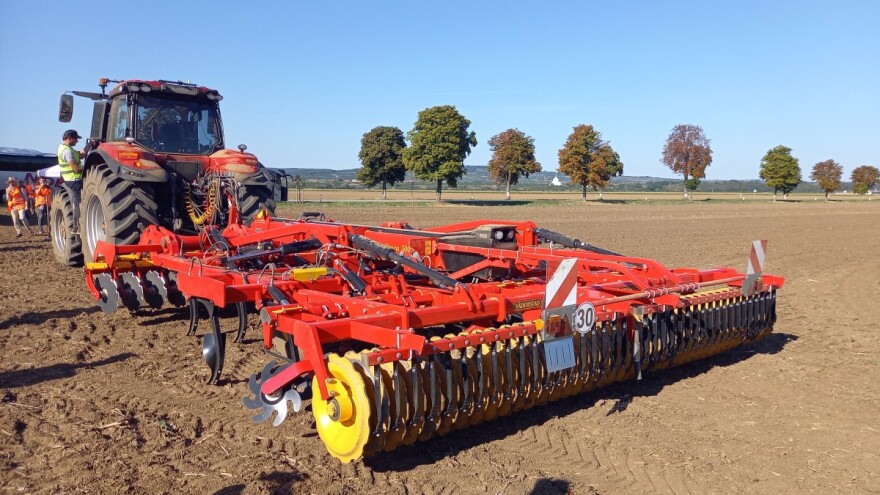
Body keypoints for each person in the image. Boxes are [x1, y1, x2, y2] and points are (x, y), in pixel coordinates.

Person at [58, 129, 84, 233]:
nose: (77, 141)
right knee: (78, 203)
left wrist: (90, 145)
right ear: (69, 138)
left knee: (77, 202)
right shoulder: (67, 151)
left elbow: (81, 155)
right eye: (76, 138)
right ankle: (76, 227)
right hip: (74, 180)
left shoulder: (64, 148)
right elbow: (76, 169)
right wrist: (87, 169)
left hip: (71, 179)